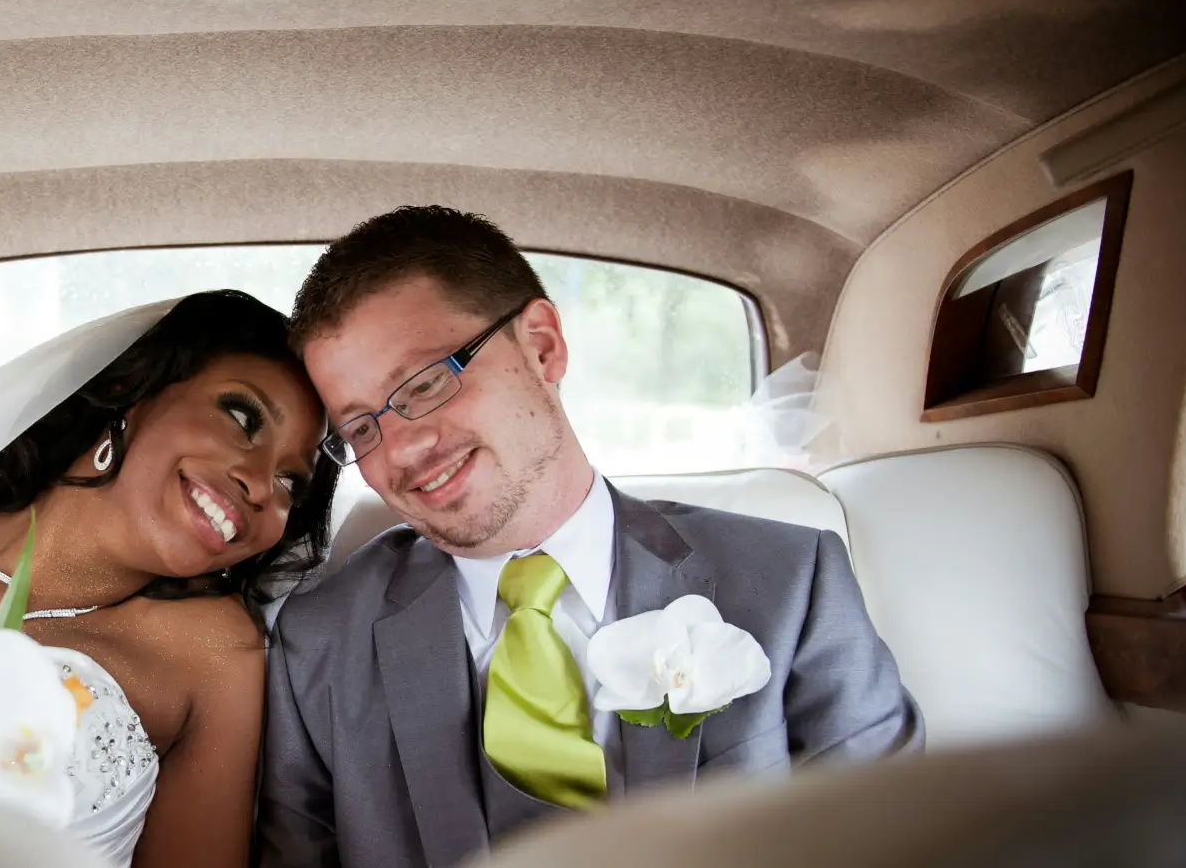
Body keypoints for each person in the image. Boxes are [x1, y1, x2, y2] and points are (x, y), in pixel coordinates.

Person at [255, 207, 921, 868]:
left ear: (542, 347)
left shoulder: (791, 581)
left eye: (426, 383)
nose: (401, 450)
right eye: (360, 428)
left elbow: (900, 839)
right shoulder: (320, 643)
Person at [0, 289, 340, 866]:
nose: (263, 486)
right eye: (242, 418)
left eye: (291, 482)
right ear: (131, 391)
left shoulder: (213, 654)